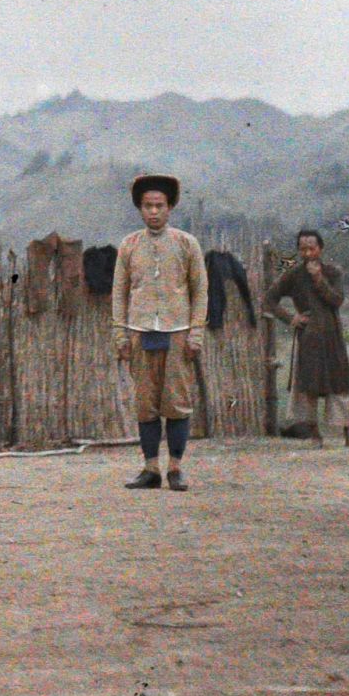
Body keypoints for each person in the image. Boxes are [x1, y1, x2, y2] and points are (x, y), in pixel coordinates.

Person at [111, 174, 208, 492]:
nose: (153, 212)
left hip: (177, 331)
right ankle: (150, 468)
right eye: (148, 206)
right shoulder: (129, 245)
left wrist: (196, 333)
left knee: (177, 401)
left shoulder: (186, 243)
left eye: (159, 206)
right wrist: (120, 333)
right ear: (140, 209)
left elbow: (200, 291)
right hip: (140, 332)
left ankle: (176, 468)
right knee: (145, 402)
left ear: (170, 208)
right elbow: (119, 293)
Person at [265, 230, 349, 446]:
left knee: (341, 384)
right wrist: (291, 318)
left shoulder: (333, 272)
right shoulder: (293, 275)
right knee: (309, 388)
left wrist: (318, 278)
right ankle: (315, 435)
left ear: (320, 249)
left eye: (312, 248)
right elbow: (270, 299)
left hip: (333, 337)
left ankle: (348, 434)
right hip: (309, 339)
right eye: (303, 249)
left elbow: (337, 300)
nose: (307, 253)